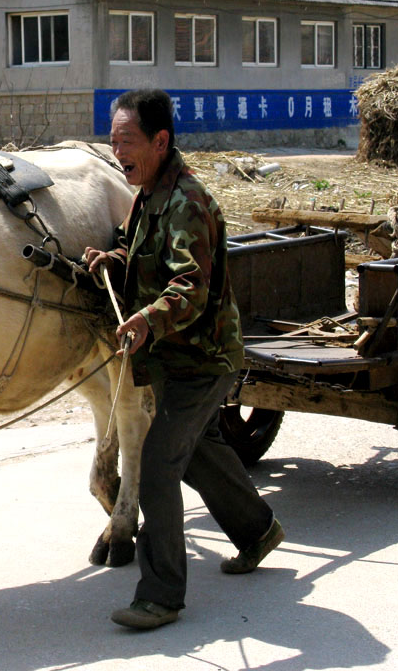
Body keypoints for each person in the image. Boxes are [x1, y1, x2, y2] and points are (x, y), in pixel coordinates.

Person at [84, 88, 283, 631]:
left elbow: (190, 286)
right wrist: (114, 257)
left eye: (126, 139)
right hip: (176, 358)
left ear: (160, 141)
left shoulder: (187, 202)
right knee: (198, 454)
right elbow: (137, 246)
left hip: (205, 358)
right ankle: (259, 529)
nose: (116, 148)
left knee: (155, 466)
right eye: (113, 137)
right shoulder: (148, 193)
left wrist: (148, 318)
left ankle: (162, 594)